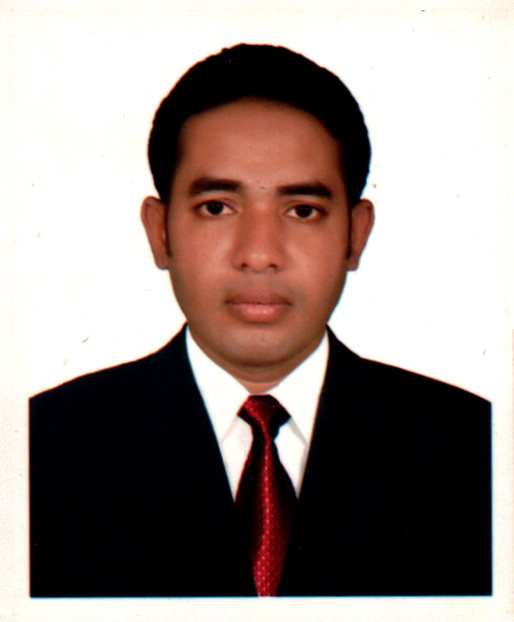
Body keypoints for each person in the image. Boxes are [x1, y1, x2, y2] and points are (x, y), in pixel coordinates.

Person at [30, 43, 491, 598]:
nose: (259, 254)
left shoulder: (478, 450)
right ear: (160, 231)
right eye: (217, 207)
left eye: (303, 211)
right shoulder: (39, 450)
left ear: (355, 235)